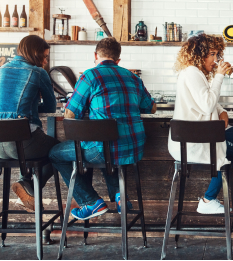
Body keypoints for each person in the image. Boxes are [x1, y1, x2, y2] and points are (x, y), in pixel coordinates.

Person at [49, 37, 156, 220]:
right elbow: (151, 108)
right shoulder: (132, 77)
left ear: (95, 55)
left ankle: (90, 201)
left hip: (104, 150)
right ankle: (120, 195)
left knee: (56, 154)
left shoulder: (90, 76)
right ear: (118, 60)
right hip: (133, 148)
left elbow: (70, 114)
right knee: (107, 151)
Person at [168, 33, 233, 214]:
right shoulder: (192, 72)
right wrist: (220, 76)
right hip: (191, 145)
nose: (215, 60)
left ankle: (213, 197)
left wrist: (222, 115)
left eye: (217, 54)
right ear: (199, 54)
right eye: (212, 54)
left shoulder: (197, 73)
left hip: (196, 139)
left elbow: (212, 104)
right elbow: (207, 106)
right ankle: (216, 197)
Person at [0, 35, 58, 212]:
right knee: (61, 152)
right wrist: (35, 104)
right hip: (23, 144)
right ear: (36, 53)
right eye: (45, 56)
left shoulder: (1, 69)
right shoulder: (38, 72)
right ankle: (26, 183)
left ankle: (26, 184)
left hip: (0, 147)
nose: (46, 60)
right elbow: (50, 106)